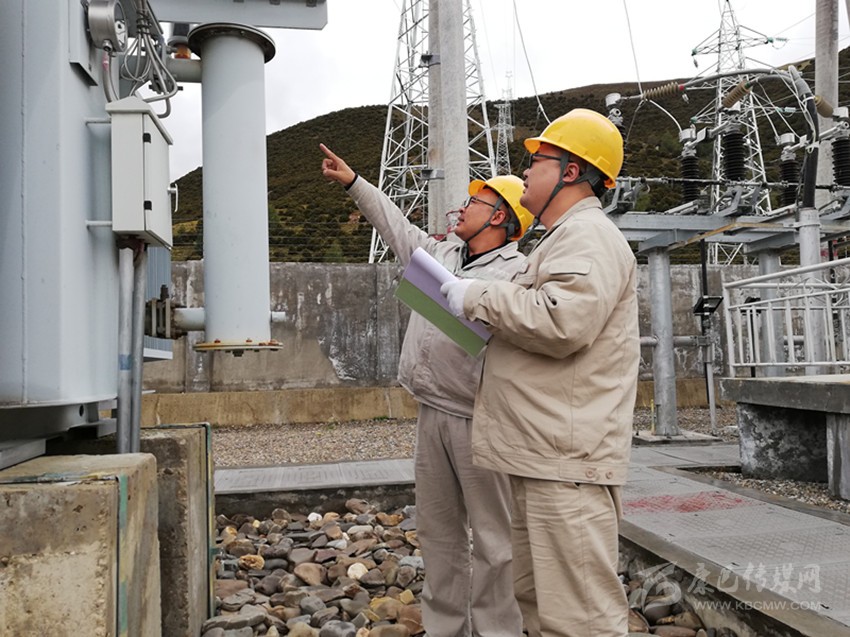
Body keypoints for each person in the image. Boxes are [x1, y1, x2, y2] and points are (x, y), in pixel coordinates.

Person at [440, 109, 640, 637]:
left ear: (570, 172)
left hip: (564, 462)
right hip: (544, 454)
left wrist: (478, 295)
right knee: (544, 607)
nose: (526, 171)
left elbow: (563, 321)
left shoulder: (588, 236)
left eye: (538, 160)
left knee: (579, 618)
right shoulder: (560, 238)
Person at [320, 143, 532, 637]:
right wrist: (355, 183)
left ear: (499, 216)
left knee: (495, 540)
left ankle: (497, 631)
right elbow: (394, 225)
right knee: (438, 533)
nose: (462, 208)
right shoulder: (443, 253)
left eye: (475, 202)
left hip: (481, 419)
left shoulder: (518, 271)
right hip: (431, 411)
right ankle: (446, 628)